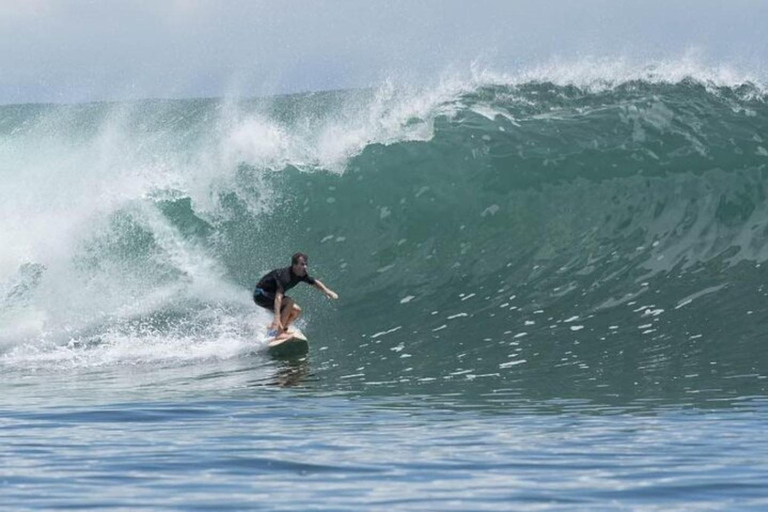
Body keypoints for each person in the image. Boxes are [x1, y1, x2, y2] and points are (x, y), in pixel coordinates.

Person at [253, 252, 338, 337]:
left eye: (306, 264)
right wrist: (276, 318)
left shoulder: (301, 274)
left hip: (269, 295)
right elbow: (278, 298)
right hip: (260, 294)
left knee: (297, 311)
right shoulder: (285, 276)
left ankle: (279, 330)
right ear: (294, 265)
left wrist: (327, 291)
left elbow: (313, 282)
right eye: (302, 264)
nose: (305, 267)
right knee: (289, 302)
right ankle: (279, 332)